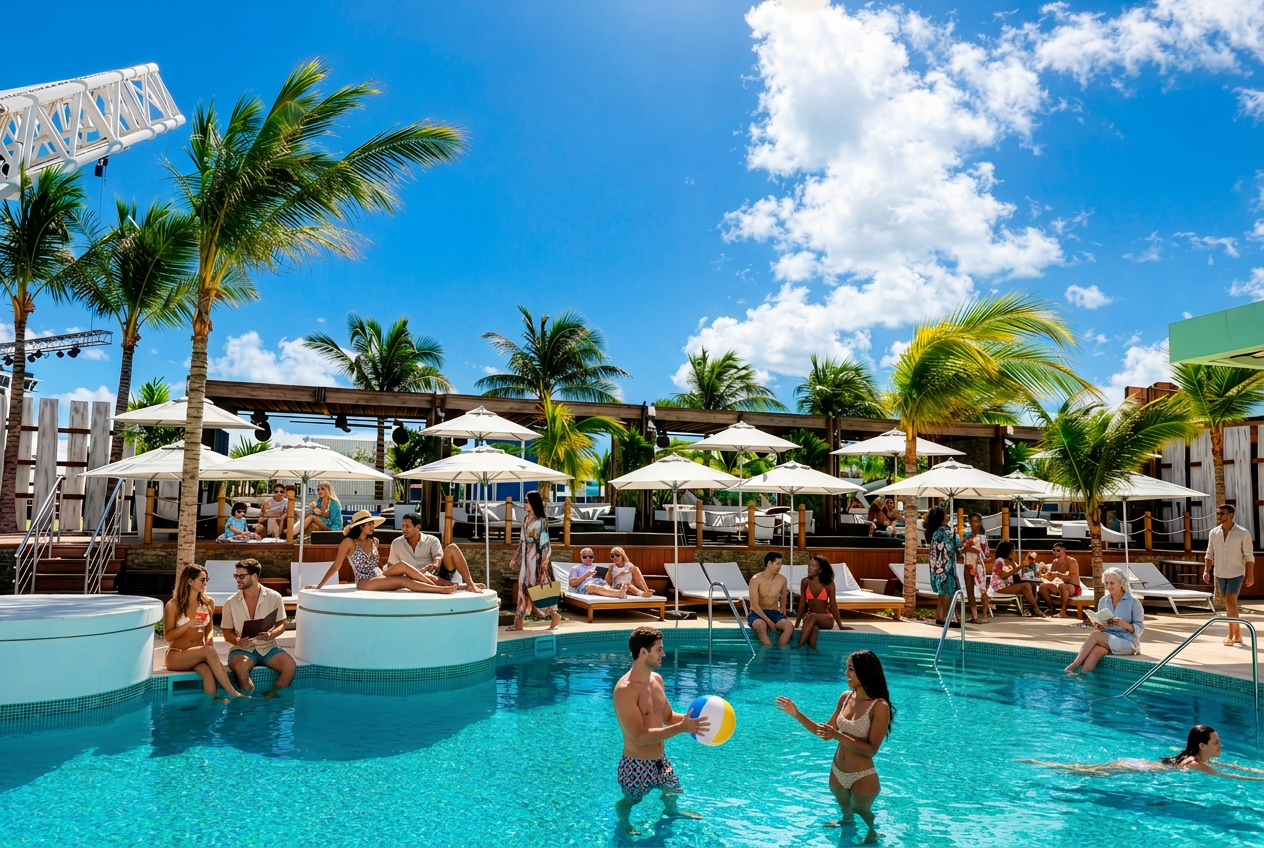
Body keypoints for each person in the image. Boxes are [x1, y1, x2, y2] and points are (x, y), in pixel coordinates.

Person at [776, 650, 894, 842]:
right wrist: (796, 714)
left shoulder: (879, 706)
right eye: (846, 668)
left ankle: (872, 831)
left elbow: (871, 749)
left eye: (850, 669)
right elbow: (824, 733)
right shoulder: (846, 697)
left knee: (862, 811)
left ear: (864, 672)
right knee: (846, 809)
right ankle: (847, 821)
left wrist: (837, 735)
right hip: (837, 772)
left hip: (862, 776)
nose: (846, 673)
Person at [612, 626, 708, 835]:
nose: (664, 654)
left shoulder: (657, 680)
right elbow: (639, 737)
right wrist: (681, 729)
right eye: (659, 650)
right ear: (643, 652)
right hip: (636, 765)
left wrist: (695, 721)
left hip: (660, 761)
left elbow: (667, 717)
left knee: (673, 790)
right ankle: (624, 823)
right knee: (632, 800)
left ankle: (672, 811)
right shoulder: (625, 690)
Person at [1026, 726, 1264, 780]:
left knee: (1087, 771)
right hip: (1133, 767)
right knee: (1083, 772)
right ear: (1202, 746)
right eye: (1217, 742)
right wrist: (1257, 779)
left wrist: (1259, 772)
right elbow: (1229, 776)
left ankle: (1041, 763)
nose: (1221, 746)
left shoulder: (1197, 757)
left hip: (1136, 763)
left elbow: (1237, 768)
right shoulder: (1194, 764)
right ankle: (1042, 764)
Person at [309, 510, 456, 594]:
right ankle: (439, 590)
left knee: (404, 566)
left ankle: (449, 585)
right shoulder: (348, 543)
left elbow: (377, 564)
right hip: (364, 581)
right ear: (361, 526)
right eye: (370, 524)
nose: (373, 526)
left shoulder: (374, 541)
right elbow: (336, 566)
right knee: (404, 580)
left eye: (373, 523)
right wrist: (320, 585)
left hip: (379, 575)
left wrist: (387, 568)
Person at [162, 565, 242, 699]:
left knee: (207, 672)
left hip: (198, 654)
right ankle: (233, 693)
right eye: (202, 580)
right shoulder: (173, 605)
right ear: (190, 581)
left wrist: (209, 641)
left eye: (207, 580)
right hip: (177, 655)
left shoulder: (208, 603)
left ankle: (212, 703)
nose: (205, 583)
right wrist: (188, 624)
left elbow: (209, 629)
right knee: (208, 652)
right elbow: (168, 637)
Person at [220, 558, 295, 695]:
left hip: (268, 646)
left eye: (242, 576)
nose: (238, 579)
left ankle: (271, 698)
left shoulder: (274, 597)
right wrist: (237, 641)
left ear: (254, 576)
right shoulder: (230, 602)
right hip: (242, 649)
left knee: (290, 666)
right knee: (240, 668)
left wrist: (271, 634)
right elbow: (226, 632)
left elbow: (281, 624)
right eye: (236, 576)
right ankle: (249, 701)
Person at [1064, 566, 1144, 673]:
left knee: (1095, 635)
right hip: (1108, 639)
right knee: (1096, 651)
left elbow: (1139, 629)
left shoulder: (1133, 602)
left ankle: (1073, 666)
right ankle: (1083, 677)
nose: (1108, 586)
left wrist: (1122, 624)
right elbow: (1102, 624)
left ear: (1121, 583)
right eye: (1106, 583)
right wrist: (1099, 626)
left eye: (1112, 583)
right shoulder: (1103, 601)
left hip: (1127, 642)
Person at [1203, 503, 1256, 647]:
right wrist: (1206, 570)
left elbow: (1249, 557)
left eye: (1222, 513)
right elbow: (1209, 554)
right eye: (1218, 513)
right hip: (1220, 573)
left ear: (1230, 515)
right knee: (1229, 604)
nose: (1218, 516)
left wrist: (1250, 575)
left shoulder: (1243, 533)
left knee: (1230, 601)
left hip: (1236, 573)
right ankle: (1237, 635)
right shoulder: (1214, 533)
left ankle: (1232, 635)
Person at [388, 512, 485, 590]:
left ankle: (470, 584)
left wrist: (434, 564)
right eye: (403, 526)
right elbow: (391, 566)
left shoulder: (432, 540)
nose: (404, 529)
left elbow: (438, 556)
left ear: (417, 527)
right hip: (413, 579)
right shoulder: (396, 543)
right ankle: (458, 586)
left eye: (407, 526)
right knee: (423, 575)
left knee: (452, 547)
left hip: (437, 574)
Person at [507, 491, 559, 632]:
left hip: (536, 561)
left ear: (533, 503)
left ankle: (555, 614)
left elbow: (545, 544)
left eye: (527, 501)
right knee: (522, 588)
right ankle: (518, 622)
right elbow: (521, 542)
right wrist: (514, 558)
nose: (525, 504)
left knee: (538, 588)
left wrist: (544, 562)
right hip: (525, 561)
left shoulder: (540, 521)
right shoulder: (525, 520)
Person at [794, 556, 846, 650]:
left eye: (813, 566)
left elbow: (833, 605)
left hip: (826, 618)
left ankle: (799, 646)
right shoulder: (805, 582)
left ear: (820, 570)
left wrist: (840, 625)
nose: (810, 568)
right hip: (810, 617)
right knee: (813, 631)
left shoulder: (829, 584)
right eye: (809, 565)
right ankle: (813, 650)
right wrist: (797, 624)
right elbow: (802, 603)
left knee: (812, 617)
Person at [987, 541, 1046, 618]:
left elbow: (1016, 574)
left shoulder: (1011, 561)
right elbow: (1003, 576)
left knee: (1032, 584)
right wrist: (1020, 566)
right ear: (1008, 551)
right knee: (1026, 586)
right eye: (1013, 550)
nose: (1014, 552)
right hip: (1000, 588)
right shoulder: (999, 561)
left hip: (1009, 585)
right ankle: (1036, 609)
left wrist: (1025, 568)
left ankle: (1031, 608)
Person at [748, 551, 793, 647]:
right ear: (769, 563)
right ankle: (769, 651)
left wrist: (783, 611)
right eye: (778, 564)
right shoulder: (756, 579)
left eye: (781, 564)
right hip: (757, 613)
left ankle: (779, 651)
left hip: (774, 612)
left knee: (789, 626)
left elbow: (784, 597)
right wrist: (769, 622)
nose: (780, 567)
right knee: (761, 626)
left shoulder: (782, 580)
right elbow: (754, 605)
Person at [925, 506, 960, 627]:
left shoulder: (935, 533)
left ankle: (939, 617)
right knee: (948, 593)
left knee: (942, 593)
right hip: (947, 568)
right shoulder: (946, 532)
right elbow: (954, 547)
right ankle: (944, 618)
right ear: (942, 518)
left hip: (937, 568)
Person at [1038, 542, 1082, 617]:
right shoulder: (1055, 562)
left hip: (1073, 587)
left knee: (1063, 586)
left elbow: (1070, 578)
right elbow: (1051, 578)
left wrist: (1058, 574)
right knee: (1042, 586)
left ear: (1063, 550)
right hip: (1060, 586)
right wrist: (1041, 575)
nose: (1055, 552)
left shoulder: (1071, 561)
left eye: (1057, 550)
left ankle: (1063, 612)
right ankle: (1051, 609)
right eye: (1053, 550)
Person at [961, 512, 989, 624]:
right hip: (968, 565)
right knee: (969, 591)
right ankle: (974, 616)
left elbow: (987, 555)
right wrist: (965, 549)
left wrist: (975, 551)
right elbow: (961, 552)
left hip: (978, 566)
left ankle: (984, 616)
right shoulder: (968, 536)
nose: (973, 523)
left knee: (982, 590)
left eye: (976, 521)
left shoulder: (982, 538)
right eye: (971, 521)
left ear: (980, 522)